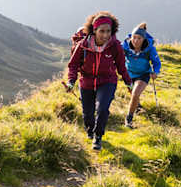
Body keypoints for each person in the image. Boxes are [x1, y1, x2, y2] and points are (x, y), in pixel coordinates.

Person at [66, 11, 132, 150]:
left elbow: (121, 66)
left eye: (108, 31)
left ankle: (98, 137)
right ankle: (90, 130)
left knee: (102, 109)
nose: (105, 35)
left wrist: (128, 82)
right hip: (86, 82)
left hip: (107, 81)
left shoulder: (115, 46)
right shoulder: (83, 45)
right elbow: (73, 65)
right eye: (101, 31)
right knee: (88, 114)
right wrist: (71, 81)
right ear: (94, 30)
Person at [121, 22, 161, 128]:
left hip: (144, 74)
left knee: (135, 93)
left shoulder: (149, 48)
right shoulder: (125, 46)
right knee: (133, 94)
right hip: (129, 74)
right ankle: (137, 107)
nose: (136, 40)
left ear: (143, 39)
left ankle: (128, 119)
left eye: (139, 38)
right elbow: (116, 55)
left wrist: (155, 72)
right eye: (134, 37)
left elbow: (157, 63)